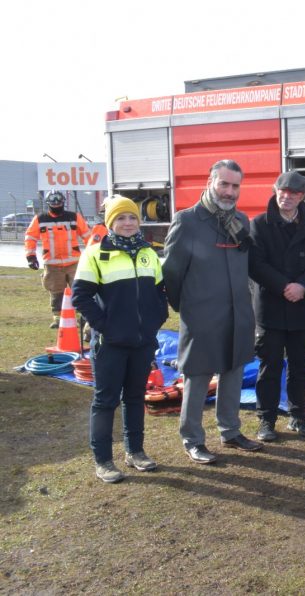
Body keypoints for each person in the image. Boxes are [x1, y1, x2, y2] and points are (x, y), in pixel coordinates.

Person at [163, 159, 262, 464]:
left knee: (233, 370)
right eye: (224, 184)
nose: (230, 192)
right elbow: (171, 274)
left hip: (238, 313)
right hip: (201, 315)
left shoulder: (242, 222)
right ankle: (192, 439)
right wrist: (189, 309)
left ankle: (230, 430)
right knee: (198, 375)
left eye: (235, 186)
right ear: (210, 182)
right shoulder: (187, 221)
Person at [71, 196, 168, 483]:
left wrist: (155, 321)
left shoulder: (149, 252)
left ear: (139, 222)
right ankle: (103, 460)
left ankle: (135, 452)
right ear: (110, 223)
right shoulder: (95, 254)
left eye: (132, 218)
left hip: (142, 341)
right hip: (111, 343)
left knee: (135, 397)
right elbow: (81, 296)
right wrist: (104, 327)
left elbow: (160, 292)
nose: (127, 223)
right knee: (105, 401)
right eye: (121, 219)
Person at [249, 171, 305, 442]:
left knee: (301, 366)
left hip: (302, 307)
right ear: (275, 190)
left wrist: (302, 286)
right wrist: (285, 286)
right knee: (269, 367)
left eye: (294, 193)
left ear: (302, 196)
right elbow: (256, 264)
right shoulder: (258, 224)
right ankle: (266, 421)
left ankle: (298, 416)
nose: (287, 197)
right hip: (270, 307)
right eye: (283, 191)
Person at [24, 191, 90, 328]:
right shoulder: (40, 219)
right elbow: (30, 237)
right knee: (56, 291)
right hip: (52, 263)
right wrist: (30, 256)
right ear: (48, 204)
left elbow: (87, 235)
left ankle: (82, 317)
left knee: (79, 289)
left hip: (74, 262)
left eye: (59, 203)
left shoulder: (74, 217)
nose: (57, 206)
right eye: (54, 204)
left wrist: (93, 253)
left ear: (63, 203)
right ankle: (57, 318)